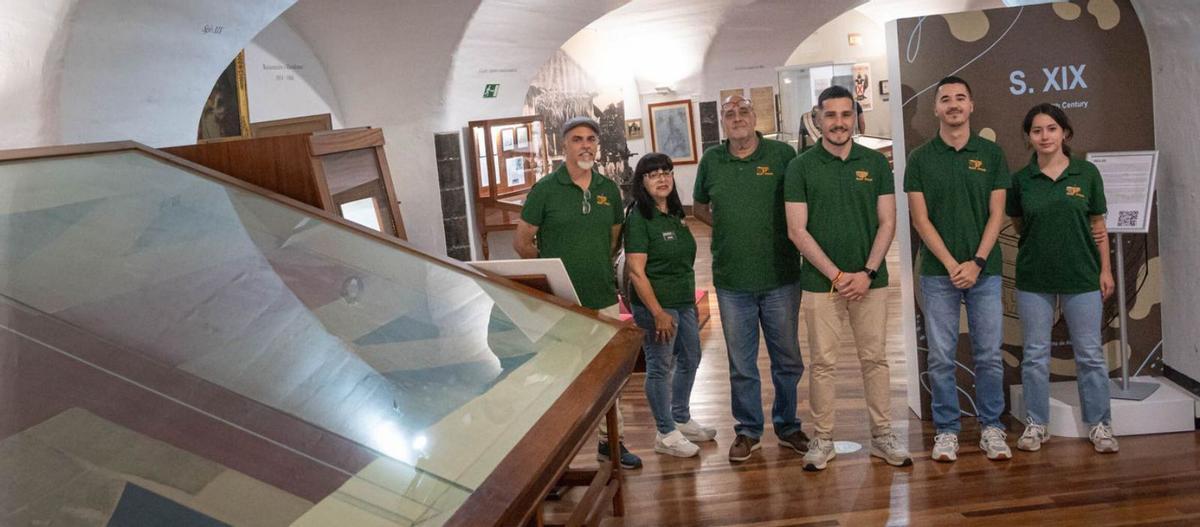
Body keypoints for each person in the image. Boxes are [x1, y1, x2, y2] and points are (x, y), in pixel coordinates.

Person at [784, 85, 912, 471]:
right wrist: (838, 275)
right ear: (817, 119)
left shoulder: (874, 163)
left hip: (871, 281)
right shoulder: (800, 167)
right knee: (822, 364)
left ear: (856, 118)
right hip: (820, 284)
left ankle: (882, 436)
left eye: (845, 114)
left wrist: (867, 272)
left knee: (875, 359)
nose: (838, 122)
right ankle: (822, 439)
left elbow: (888, 222)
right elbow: (797, 231)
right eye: (831, 115)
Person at [514, 116, 642, 469]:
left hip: (602, 297)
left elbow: (613, 240)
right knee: (558, 381)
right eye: (577, 139)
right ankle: (556, 461)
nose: (585, 145)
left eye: (590, 139)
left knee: (606, 376)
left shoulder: (608, 190)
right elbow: (522, 242)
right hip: (561, 303)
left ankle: (610, 442)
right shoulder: (545, 190)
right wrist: (550, 277)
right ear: (564, 145)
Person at [694, 95, 807, 463]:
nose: (737, 118)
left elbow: (800, 202)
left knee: (787, 359)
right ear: (722, 122)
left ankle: (788, 425)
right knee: (741, 365)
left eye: (743, 111)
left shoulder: (782, 156)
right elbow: (698, 207)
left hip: (781, 277)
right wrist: (728, 227)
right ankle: (748, 430)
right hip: (732, 281)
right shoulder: (711, 160)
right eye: (729, 113)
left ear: (755, 117)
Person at [904, 76, 1012, 462]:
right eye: (946, 99)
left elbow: (997, 214)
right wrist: (953, 265)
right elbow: (920, 219)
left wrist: (977, 262)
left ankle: (992, 427)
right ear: (936, 108)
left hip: (986, 272)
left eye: (960, 98)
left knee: (989, 355)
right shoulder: (920, 158)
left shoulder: (992, 154)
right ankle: (947, 430)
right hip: (938, 273)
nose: (953, 104)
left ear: (971, 106)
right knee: (940, 357)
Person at [1007, 103, 1119, 454]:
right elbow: (1020, 225)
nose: (1045, 136)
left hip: (1082, 276)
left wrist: (1105, 270)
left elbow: (1098, 225)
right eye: (1037, 130)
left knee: (1090, 354)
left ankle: (1100, 424)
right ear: (1029, 137)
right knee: (1035, 355)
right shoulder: (1021, 180)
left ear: (1065, 133)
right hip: (1034, 278)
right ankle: (1036, 424)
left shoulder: (1086, 173)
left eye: (1052, 129)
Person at [624, 152, 716, 458]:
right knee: (660, 366)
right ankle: (665, 433)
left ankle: (680, 418)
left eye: (666, 172)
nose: (662, 179)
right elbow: (636, 272)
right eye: (653, 175)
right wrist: (657, 312)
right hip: (656, 307)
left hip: (684, 301)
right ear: (642, 182)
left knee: (691, 357)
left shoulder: (676, 213)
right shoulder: (639, 219)